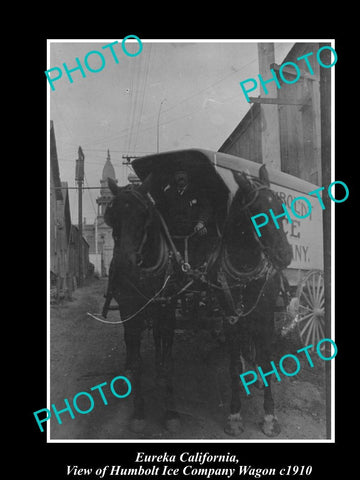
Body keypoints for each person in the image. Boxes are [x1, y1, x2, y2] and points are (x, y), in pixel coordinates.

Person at [159, 168, 213, 268]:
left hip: (193, 233)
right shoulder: (168, 194)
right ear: (174, 177)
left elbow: (207, 208)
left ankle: (202, 270)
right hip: (173, 236)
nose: (181, 177)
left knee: (203, 249)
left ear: (188, 176)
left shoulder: (197, 192)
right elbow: (162, 211)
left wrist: (201, 222)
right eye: (178, 174)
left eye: (183, 174)